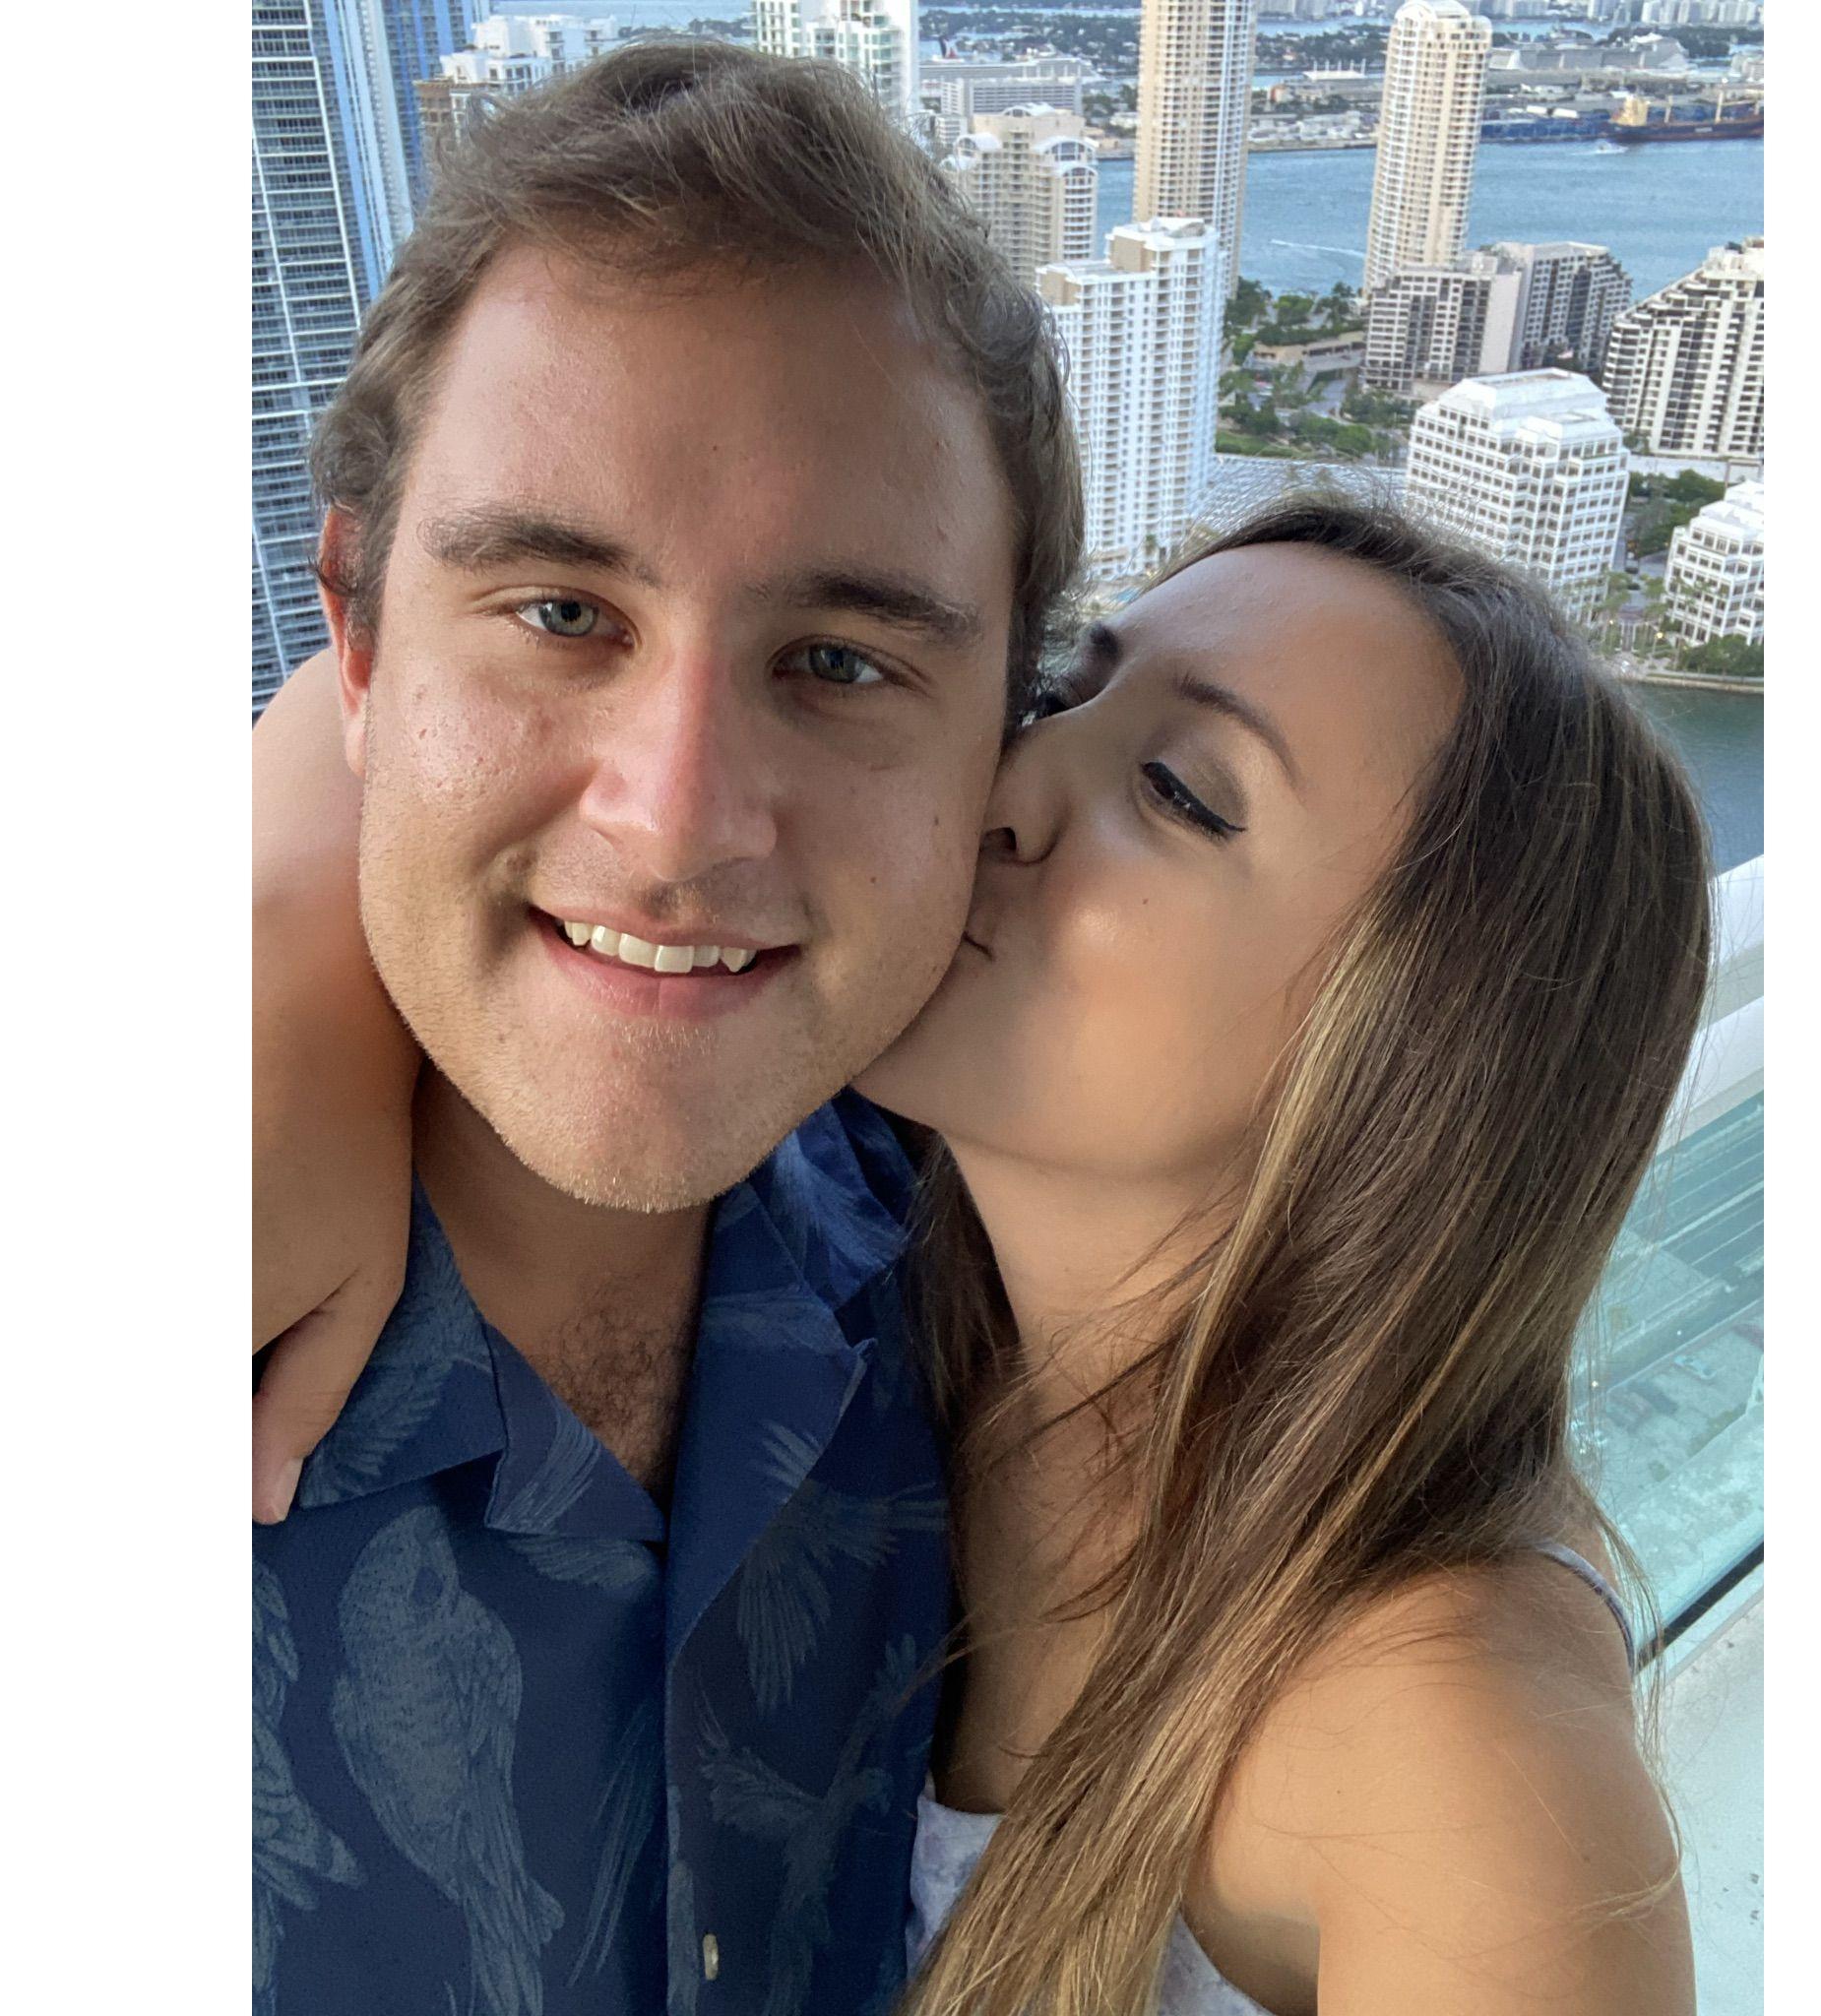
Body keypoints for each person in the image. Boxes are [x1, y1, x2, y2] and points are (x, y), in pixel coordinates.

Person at [261, 486, 1710, 2007]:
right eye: (1063, 693)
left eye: (1180, 792)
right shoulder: (877, 1230)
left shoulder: (1442, 1743)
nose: (1005, 786)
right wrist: (287, 965)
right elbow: (381, 657)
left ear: (1420, 1057)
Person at [252, 40, 1081, 2016]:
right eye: (558, 612)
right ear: (358, 643)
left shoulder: (1008, 1252)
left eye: (838, 659)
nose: (680, 818)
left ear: (1000, 743)